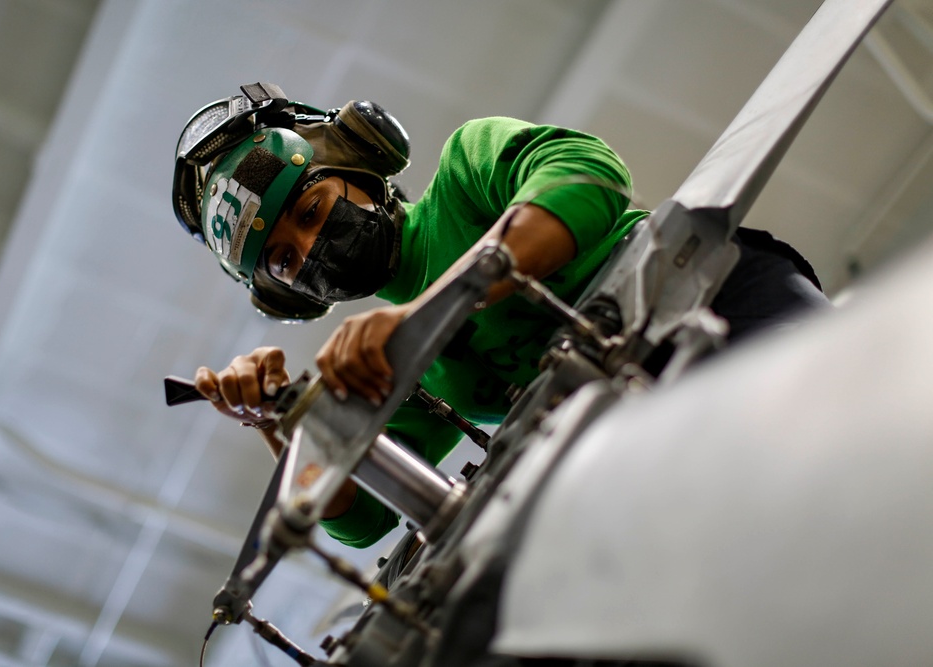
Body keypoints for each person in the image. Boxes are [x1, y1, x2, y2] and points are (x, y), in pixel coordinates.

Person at [172, 83, 827, 548]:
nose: (314, 248)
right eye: (287, 261)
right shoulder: (400, 365)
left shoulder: (465, 168)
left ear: (355, 161)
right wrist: (282, 419)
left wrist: (425, 312)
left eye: (312, 210)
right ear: (292, 296)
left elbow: (587, 180)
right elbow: (364, 517)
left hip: (712, 297)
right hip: (636, 417)